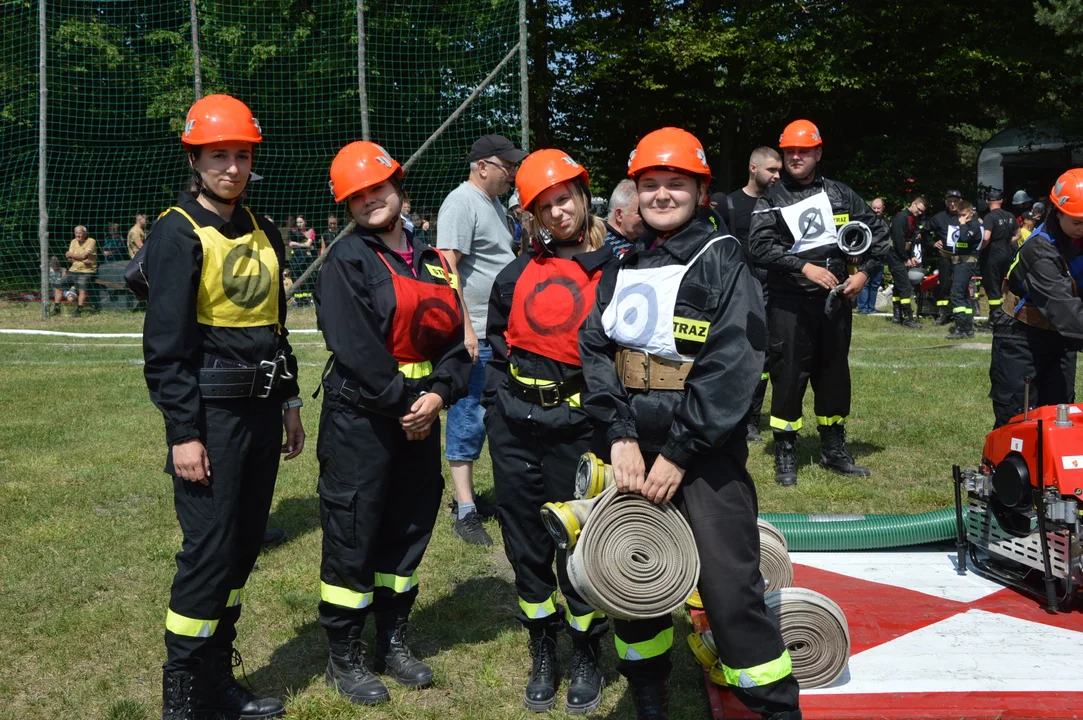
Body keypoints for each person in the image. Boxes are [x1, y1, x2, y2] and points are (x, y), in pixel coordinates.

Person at [579, 127, 800, 720]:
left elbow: (732, 366)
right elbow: (596, 347)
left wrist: (678, 452)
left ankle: (774, 707)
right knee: (633, 577)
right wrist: (621, 435)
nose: (661, 195)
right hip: (631, 445)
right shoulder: (623, 262)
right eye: (651, 185)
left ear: (701, 190)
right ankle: (649, 693)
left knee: (731, 593)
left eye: (676, 184)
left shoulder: (723, 258)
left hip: (702, 451)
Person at [142, 94, 304, 720]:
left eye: (241, 155)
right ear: (196, 158)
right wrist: (183, 432)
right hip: (211, 419)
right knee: (208, 552)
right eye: (219, 156)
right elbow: (165, 349)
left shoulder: (264, 230)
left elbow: (276, 327)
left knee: (239, 549)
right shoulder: (175, 232)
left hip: (262, 415)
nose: (232, 167)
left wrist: (288, 399)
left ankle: (217, 679)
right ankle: (182, 694)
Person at [315, 140, 470, 705]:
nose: (370, 200)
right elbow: (353, 345)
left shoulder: (431, 259)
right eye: (356, 196)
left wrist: (439, 395)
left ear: (398, 188)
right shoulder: (347, 260)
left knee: (408, 531)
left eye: (378, 188)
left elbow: (454, 339)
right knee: (354, 534)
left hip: (420, 418)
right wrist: (408, 402)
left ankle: (393, 641)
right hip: (364, 419)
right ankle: (345, 655)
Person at [483, 149, 612, 715]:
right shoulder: (514, 277)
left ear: (582, 197)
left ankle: (587, 651)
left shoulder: (616, 272)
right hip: (514, 428)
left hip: (577, 431)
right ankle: (544, 648)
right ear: (530, 216)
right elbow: (495, 350)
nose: (557, 213)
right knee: (525, 543)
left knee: (578, 542)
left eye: (564, 199)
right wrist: (496, 411)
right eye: (544, 206)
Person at [749, 119, 889, 487]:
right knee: (788, 376)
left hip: (835, 303)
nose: (796, 157)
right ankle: (785, 451)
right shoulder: (771, 198)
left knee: (834, 377)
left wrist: (862, 274)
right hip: (789, 303)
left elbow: (880, 233)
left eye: (804, 151)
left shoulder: (841, 194)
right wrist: (804, 267)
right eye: (790, 151)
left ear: (818, 153)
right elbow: (760, 247)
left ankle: (833, 449)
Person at [436, 134, 527, 545]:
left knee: (493, 414)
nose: (512, 172)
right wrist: (466, 328)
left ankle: (470, 499)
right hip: (476, 330)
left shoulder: (491, 204)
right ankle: (465, 508)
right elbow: (445, 267)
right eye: (506, 165)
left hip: (499, 330)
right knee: (468, 414)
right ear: (482, 166)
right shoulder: (461, 201)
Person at [989, 168, 1083, 428]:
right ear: (1057, 211)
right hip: (1022, 337)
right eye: (1077, 222)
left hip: (1061, 337)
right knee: (1019, 419)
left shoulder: (1077, 238)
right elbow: (1066, 312)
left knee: (1061, 415)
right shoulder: (1039, 251)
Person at [728, 147, 782, 442]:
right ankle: (733, 414)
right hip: (743, 289)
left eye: (779, 171)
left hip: (778, 287)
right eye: (771, 170)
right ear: (753, 168)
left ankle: (752, 418)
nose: (776, 176)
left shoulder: (783, 203)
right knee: (740, 353)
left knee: (768, 358)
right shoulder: (731, 204)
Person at [979, 189, 1021, 332]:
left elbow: (986, 237)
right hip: (1006, 254)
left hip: (992, 256)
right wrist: (1006, 242)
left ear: (987, 201)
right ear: (1001, 201)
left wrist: (981, 248)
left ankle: (995, 321)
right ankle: (1000, 317)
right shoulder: (1010, 216)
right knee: (1001, 287)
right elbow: (1019, 234)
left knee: (993, 288)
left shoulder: (989, 217)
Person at [943, 200, 984, 339]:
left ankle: (960, 328)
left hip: (967, 263)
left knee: (957, 294)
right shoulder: (966, 224)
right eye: (959, 215)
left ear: (971, 212)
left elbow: (965, 238)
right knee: (965, 296)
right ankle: (967, 328)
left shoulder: (973, 225)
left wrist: (961, 224)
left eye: (964, 215)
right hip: (960, 263)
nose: (961, 217)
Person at [887, 196, 927, 328]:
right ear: (914, 204)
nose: (920, 213)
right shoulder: (900, 218)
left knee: (899, 286)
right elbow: (899, 241)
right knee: (905, 287)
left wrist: (911, 257)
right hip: (895, 254)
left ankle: (897, 316)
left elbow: (909, 241)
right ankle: (908, 317)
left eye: (922, 212)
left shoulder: (913, 219)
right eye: (919, 210)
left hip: (902, 253)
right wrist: (906, 259)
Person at [926, 189, 963, 325]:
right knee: (944, 285)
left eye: (955, 201)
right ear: (946, 203)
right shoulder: (939, 217)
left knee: (960, 285)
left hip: (961, 257)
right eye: (950, 201)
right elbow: (924, 231)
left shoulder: (966, 216)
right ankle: (942, 313)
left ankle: (959, 315)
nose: (953, 204)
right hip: (945, 257)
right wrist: (933, 243)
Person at [856, 197, 886, 313]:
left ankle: (871, 308)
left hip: (880, 258)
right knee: (864, 283)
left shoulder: (886, 222)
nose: (876, 210)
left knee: (875, 284)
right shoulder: (865, 221)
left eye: (878, 208)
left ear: (883, 208)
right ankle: (863, 309)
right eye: (874, 208)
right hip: (866, 257)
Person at [602, 179, 645, 258]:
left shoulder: (643, 240)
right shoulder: (602, 246)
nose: (645, 217)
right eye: (640, 212)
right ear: (619, 215)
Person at [65, 225, 97, 316]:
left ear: (85, 233)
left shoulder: (91, 241)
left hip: (87, 270)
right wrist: (81, 259)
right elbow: (69, 258)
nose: (78, 235)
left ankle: (78, 311)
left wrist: (73, 255)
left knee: (82, 289)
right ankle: (57, 308)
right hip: (73, 269)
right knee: (58, 285)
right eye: (76, 233)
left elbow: (82, 256)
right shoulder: (73, 241)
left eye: (80, 233)